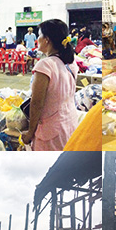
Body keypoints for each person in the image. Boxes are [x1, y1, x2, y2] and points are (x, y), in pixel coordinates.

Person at [21, 19, 78, 151]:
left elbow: (36, 103)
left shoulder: (45, 65)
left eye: (39, 36)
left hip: (51, 132)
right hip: (69, 123)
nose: (37, 40)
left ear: (46, 40)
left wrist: (30, 133)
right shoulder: (70, 63)